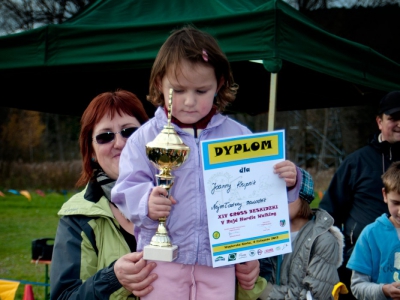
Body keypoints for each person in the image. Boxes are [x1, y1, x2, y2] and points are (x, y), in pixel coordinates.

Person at [111, 25, 302, 299]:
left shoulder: (238, 136)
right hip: (161, 262)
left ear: (220, 84)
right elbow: (124, 191)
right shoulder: (145, 138)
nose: (189, 101)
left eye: (201, 91)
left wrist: (286, 182)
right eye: (178, 90)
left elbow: (257, 199)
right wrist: (145, 202)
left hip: (220, 263)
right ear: (158, 84)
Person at [50, 90, 157, 300]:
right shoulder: (78, 219)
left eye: (129, 131)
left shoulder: (182, 197)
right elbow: (64, 297)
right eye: (105, 136)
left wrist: (241, 277)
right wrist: (112, 279)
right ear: (91, 151)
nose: (119, 143)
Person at [319, 90, 400, 299]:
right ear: (379, 122)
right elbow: (329, 214)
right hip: (360, 265)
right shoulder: (357, 162)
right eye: (393, 118)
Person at [239, 169, 345, 300]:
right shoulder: (261, 234)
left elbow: (314, 296)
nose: (281, 199)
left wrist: (264, 290)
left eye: (288, 192)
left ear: (304, 196)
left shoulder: (323, 240)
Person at [347, 161, 400, 300]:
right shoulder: (370, 235)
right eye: (396, 203)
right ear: (385, 195)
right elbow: (357, 286)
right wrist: (384, 290)